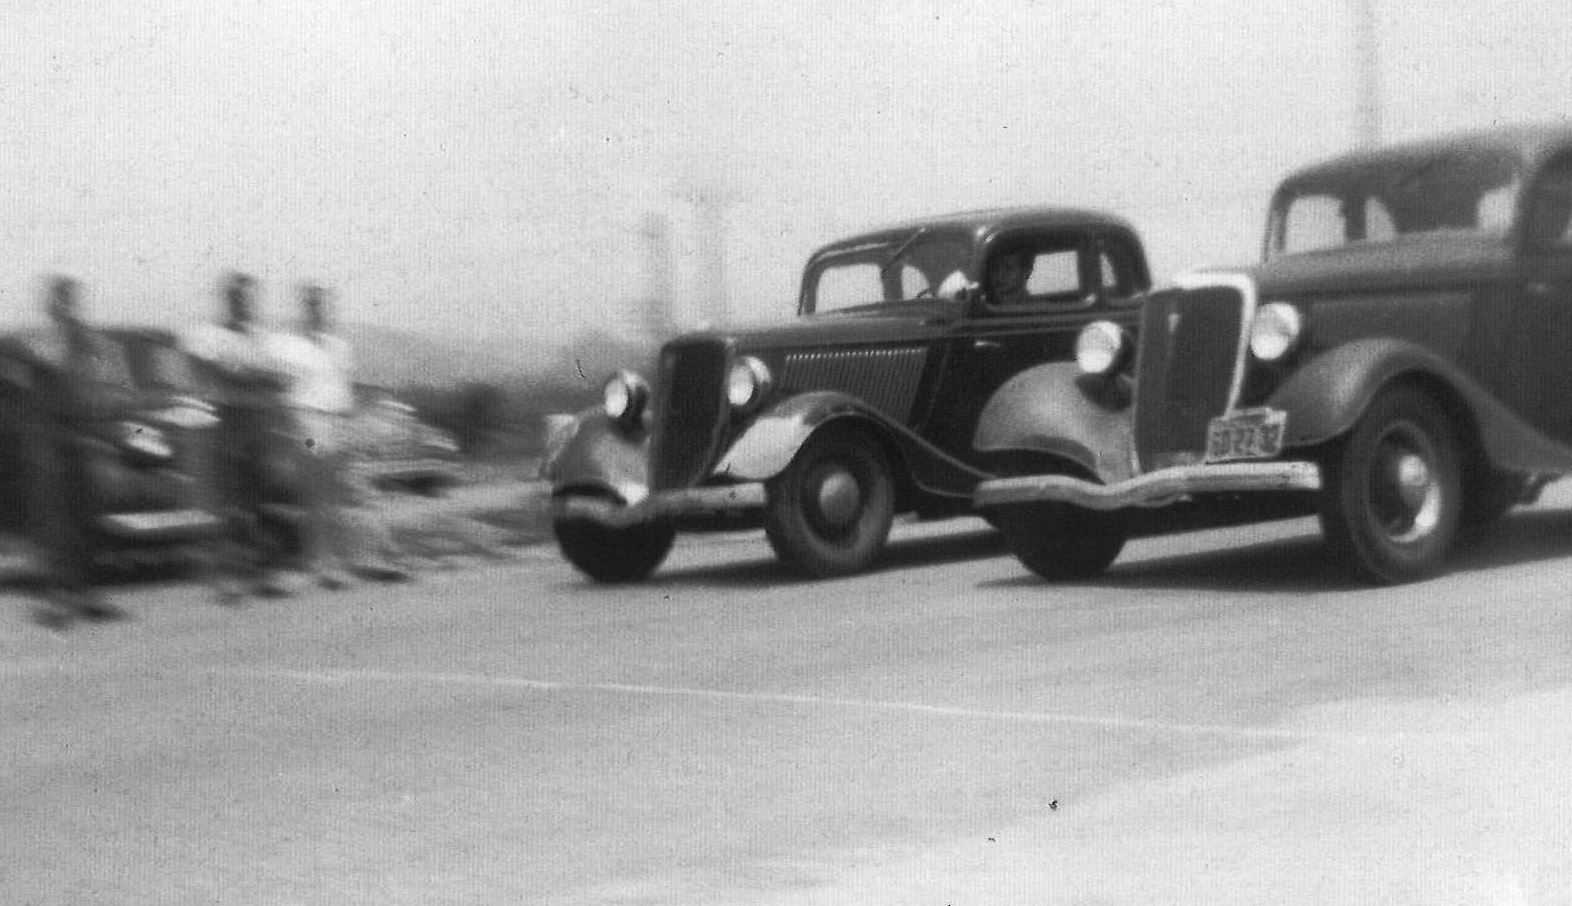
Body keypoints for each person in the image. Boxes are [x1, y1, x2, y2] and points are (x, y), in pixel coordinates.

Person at [180, 272, 293, 601]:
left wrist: (251, 373)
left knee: (259, 498)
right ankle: (228, 578)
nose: (242, 303)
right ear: (226, 299)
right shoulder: (209, 335)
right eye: (236, 297)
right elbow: (227, 372)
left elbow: (281, 376)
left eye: (247, 297)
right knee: (229, 501)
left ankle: (261, 573)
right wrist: (256, 374)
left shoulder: (262, 337)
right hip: (226, 421)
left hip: (259, 421)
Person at [27, 277, 127, 627]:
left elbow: (108, 385)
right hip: (53, 443)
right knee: (58, 522)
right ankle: (58, 598)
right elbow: (45, 366)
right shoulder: (42, 341)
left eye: (70, 299)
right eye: (60, 300)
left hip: (87, 440)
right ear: (51, 305)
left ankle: (87, 594)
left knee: (87, 519)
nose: (66, 306)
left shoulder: (90, 345)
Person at [271, 284, 358, 589]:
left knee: (334, 496)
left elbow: (345, 389)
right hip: (306, 425)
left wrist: (348, 423)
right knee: (314, 494)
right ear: (303, 309)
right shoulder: (288, 346)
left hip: (337, 424)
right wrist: (294, 428)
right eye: (310, 306)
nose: (315, 311)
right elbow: (282, 389)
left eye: (320, 306)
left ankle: (334, 563)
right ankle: (317, 562)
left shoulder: (339, 347)